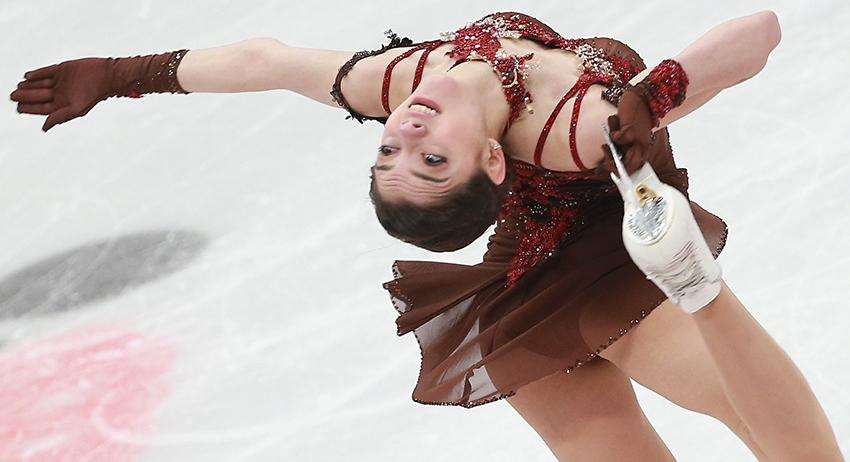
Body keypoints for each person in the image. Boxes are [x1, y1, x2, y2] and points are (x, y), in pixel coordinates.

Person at [10, 10, 843, 461]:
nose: (405, 132)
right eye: (430, 157)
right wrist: (652, 95)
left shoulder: (396, 83)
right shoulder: (570, 128)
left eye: (391, 152)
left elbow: (265, 61)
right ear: (490, 160)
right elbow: (759, 36)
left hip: (547, 283)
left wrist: (122, 75)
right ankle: (700, 293)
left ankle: (693, 291)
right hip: (591, 277)